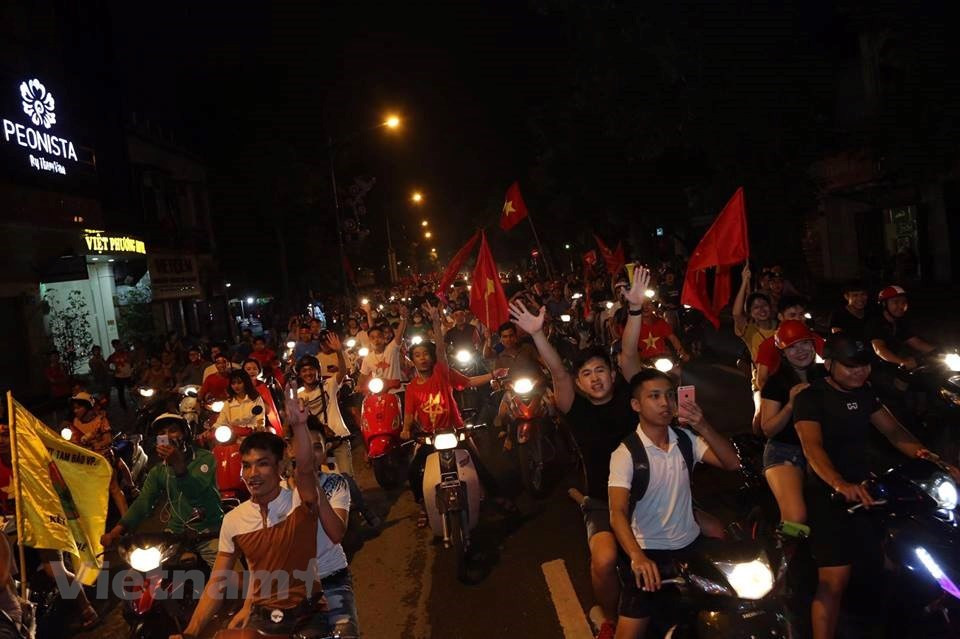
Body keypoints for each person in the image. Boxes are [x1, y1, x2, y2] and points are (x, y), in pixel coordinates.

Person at [510, 267, 652, 639]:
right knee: (603, 560)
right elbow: (557, 372)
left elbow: (630, 352)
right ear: (578, 383)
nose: (595, 378)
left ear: (612, 375)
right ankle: (609, 619)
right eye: (586, 373)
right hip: (601, 501)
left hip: (650, 491)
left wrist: (635, 309)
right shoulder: (575, 408)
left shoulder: (629, 396)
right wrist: (537, 333)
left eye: (600, 370)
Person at [793, 333, 960, 639]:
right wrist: (839, 483)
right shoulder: (811, 398)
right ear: (829, 364)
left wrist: (933, 459)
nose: (860, 372)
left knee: (893, 559)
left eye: (865, 365)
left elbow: (895, 432)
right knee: (834, 580)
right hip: (829, 493)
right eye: (851, 366)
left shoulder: (865, 392)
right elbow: (812, 447)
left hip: (867, 489)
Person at [172, 405, 341, 636]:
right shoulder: (233, 520)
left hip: (309, 615)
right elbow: (217, 582)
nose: (252, 474)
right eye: (246, 465)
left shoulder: (299, 501)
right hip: (263, 619)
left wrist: (300, 425)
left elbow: (304, 469)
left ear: (280, 466)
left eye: (262, 464)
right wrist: (190, 632)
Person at [608, 370, 741, 639]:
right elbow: (617, 512)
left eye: (669, 395)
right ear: (636, 405)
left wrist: (702, 425)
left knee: (728, 616)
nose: (665, 403)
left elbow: (732, 463)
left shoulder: (685, 440)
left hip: (691, 546)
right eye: (654, 396)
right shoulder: (626, 454)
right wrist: (637, 557)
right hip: (650, 551)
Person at [401, 303, 506, 527]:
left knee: (477, 463)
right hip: (429, 436)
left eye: (426, 354)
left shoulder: (442, 372)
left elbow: (461, 374)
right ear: (412, 360)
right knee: (413, 470)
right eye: (417, 355)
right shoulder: (411, 388)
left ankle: (498, 497)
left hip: (455, 431)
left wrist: (436, 320)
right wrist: (406, 428)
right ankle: (423, 505)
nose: (423, 358)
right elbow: (409, 414)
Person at [101, 414, 222, 566]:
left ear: (185, 433)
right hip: (176, 533)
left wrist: (178, 466)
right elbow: (143, 502)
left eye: (173, 431)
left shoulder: (205, 459)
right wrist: (115, 531)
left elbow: (195, 493)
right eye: (162, 433)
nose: (167, 437)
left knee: (230, 576)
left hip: (209, 530)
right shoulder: (159, 471)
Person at [283, 430, 359, 635]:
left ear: (325, 452)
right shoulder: (277, 491)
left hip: (332, 578)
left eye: (316, 448)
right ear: (290, 450)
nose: (309, 453)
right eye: (303, 447)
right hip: (292, 586)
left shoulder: (335, 483)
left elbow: (336, 533)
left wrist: (313, 484)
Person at [759, 320, 825, 529]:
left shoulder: (827, 374)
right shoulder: (775, 383)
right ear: (783, 353)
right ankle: (785, 546)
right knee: (795, 517)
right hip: (786, 450)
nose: (801, 351)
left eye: (805, 343)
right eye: (792, 347)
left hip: (824, 446)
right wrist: (790, 405)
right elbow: (768, 429)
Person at [65, 392, 128, 515]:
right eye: (74, 408)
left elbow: (108, 440)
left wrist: (94, 445)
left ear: (87, 407)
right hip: (85, 461)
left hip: (103, 458)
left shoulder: (101, 420)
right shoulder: (75, 422)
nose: (75, 411)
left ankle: (126, 519)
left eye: (78, 407)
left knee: (114, 488)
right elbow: (74, 441)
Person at [733, 263, 777, 432]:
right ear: (750, 313)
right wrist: (744, 281)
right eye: (756, 307)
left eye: (764, 305)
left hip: (784, 376)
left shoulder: (781, 326)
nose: (761, 309)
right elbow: (736, 314)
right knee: (760, 418)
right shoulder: (749, 331)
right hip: (761, 381)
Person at [754, 295, 823, 391]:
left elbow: (831, 362)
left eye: (801, 314)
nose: (798, 319)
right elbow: (761, 381)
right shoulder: (769, 344)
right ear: (780, 317)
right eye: (792, 315)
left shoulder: (813, 337)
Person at [358, 305, 408, 393]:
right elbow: (363, 376)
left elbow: (400, 333)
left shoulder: (392, 349)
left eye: (379, 337)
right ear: (369, 340)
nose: (376, 340)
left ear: (384, 338)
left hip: (397, 392)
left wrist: (403, 318)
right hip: (378, 392)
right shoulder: (367, 359)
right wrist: (359, 386)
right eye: (373, 338)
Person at [242, 358, 284, 437]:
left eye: (255, 369)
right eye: (248, 369)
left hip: (264, 421)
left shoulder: (262, 386)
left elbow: (270, 408)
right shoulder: (240, 388)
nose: (252, 371)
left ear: (259, 371)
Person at [107, 339, 134, 410]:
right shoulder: (112, 356)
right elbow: (108, 365)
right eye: (116, 345)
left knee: (132, 390)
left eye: (119, 345)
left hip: (128, 375)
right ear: (113, 346)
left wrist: (132, 370)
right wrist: (113, 370)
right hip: (119, 376)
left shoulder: (127, 354)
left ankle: (135, 402)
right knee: (121, 392)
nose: (118, 346)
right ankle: (124, 407)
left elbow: (132, 362)